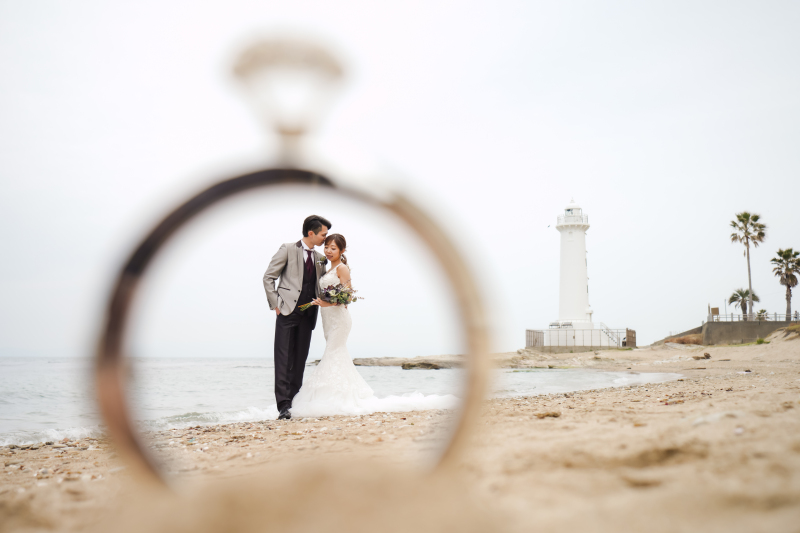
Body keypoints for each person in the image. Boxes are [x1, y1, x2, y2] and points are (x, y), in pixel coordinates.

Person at [291, 233, 458, 418]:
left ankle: (332, 396)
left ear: (342, 251)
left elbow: (347, 296)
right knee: (337, 353)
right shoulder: (327, 270)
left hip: (339, 319)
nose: (329, 251)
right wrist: (321, 302)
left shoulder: (342, 268)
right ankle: (340, 392)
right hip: (327, 319)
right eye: (327, 247)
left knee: (333, 352)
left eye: (333, 248)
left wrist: (327, 303)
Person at [263, 215, 331, 420]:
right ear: (311, 233)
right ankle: (283, 406)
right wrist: (276, 304)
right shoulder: (287, 249)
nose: (325, 239)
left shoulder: (320, 257)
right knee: (283, 359)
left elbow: (321, 284)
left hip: (309, 314)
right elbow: (269, 277)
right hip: (287, 310)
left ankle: (294, 402)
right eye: (323, 234)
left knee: (300, 360)